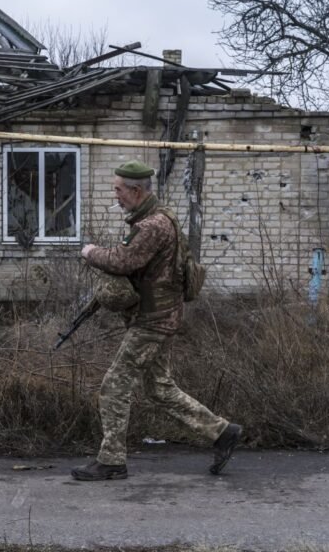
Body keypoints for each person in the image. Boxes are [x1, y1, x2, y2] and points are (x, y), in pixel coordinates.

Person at [71, 160, 242, 481]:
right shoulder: (156, 219)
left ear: (136, 191)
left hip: (153, 319)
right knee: (159, 388)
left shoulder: (153, 226)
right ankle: (222, 433)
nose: (116, 195)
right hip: (159, 315)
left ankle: (111, 461)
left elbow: (124, 261)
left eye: (119, 190)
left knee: (113, 386)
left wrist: (90, 251)